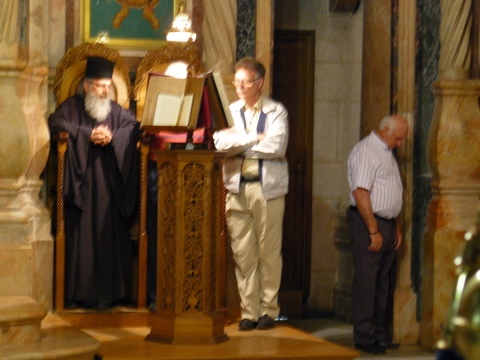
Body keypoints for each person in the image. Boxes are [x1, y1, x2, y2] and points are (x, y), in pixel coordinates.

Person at [49, 57, 140, 310]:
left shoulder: (116, 111)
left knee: (110, 235)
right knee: (82, 241)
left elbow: (133, 127)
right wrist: (87, 135)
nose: (105, 91)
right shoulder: (72, 107)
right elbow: (55, 123)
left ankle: (111, 295)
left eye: (108, 86)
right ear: (87, 86)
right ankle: (81, 294)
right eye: (100, 86)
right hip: (82, 190)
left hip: (110, 190)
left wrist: (112, 136)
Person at [213, 57, 289, 331]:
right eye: (236, 81)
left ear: (260, 83)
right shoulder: (230, 110)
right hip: (236, 187)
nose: (239, 86)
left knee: (268, 251)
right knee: (243, 254)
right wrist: (254, 138)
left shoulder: (276, 111)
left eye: (245, 81)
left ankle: (269, 310)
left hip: (266, 188)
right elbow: (220, 143)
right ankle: (249, 312)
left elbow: (276, 147)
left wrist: (240, 143)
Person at [347, 114, 409, 354]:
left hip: (387, 224)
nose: (400, 144)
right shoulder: (366, 151)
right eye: (398, 138)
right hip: (368, 223)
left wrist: (397, 226)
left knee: (382, 281)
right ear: (384, 130)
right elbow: (361, 192)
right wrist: (373, 230)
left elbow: (389, 191)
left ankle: (378, 334)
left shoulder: (385, 151)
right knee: (366, 281)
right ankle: (364, 337)